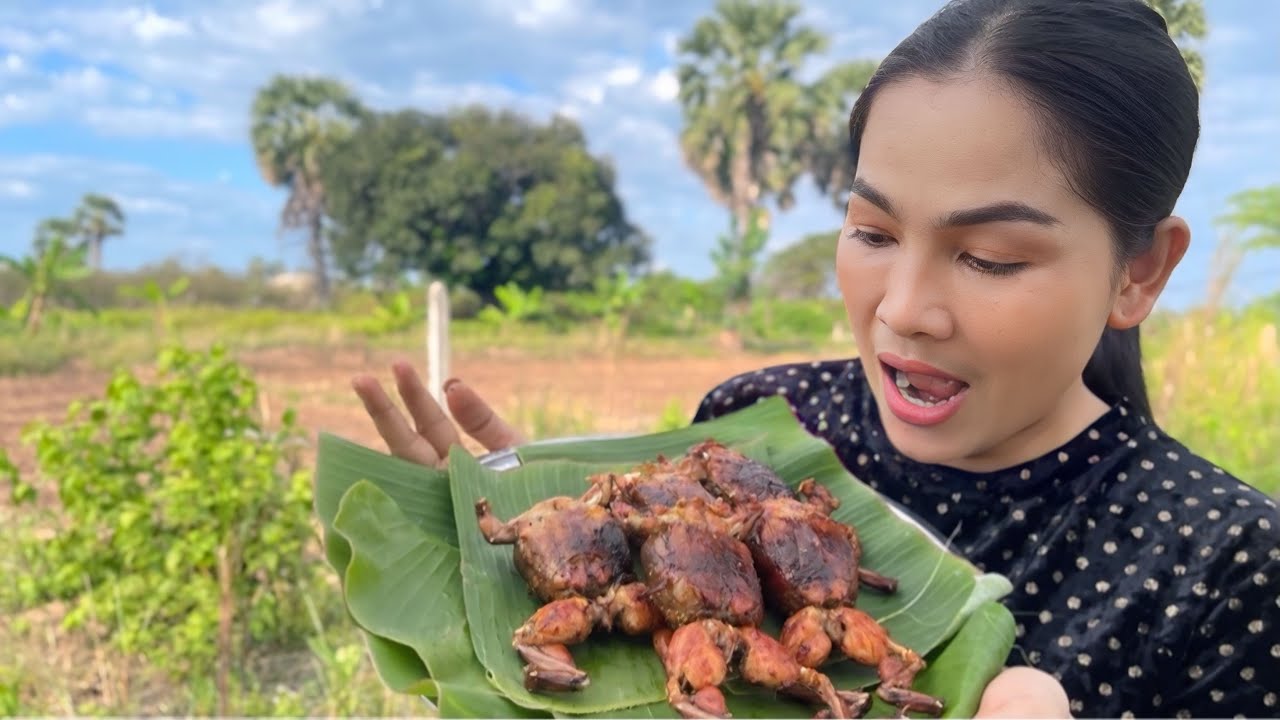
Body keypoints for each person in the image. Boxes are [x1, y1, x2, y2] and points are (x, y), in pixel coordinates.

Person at [350, 0, 1280, 716]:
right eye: (872, 231)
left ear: (1140, 272)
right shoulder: (760, 417)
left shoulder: (1224, 565)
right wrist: (547, 541)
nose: (904, 310)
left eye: (989, 256)